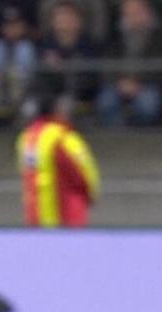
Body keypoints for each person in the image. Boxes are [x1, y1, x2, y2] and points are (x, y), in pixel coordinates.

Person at [17, 95, 100, 227]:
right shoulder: (62, 138)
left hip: (35, 217)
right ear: (57, 109)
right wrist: (92, 195)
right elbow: (82, 174)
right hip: (65, 217)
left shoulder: (26, 137)